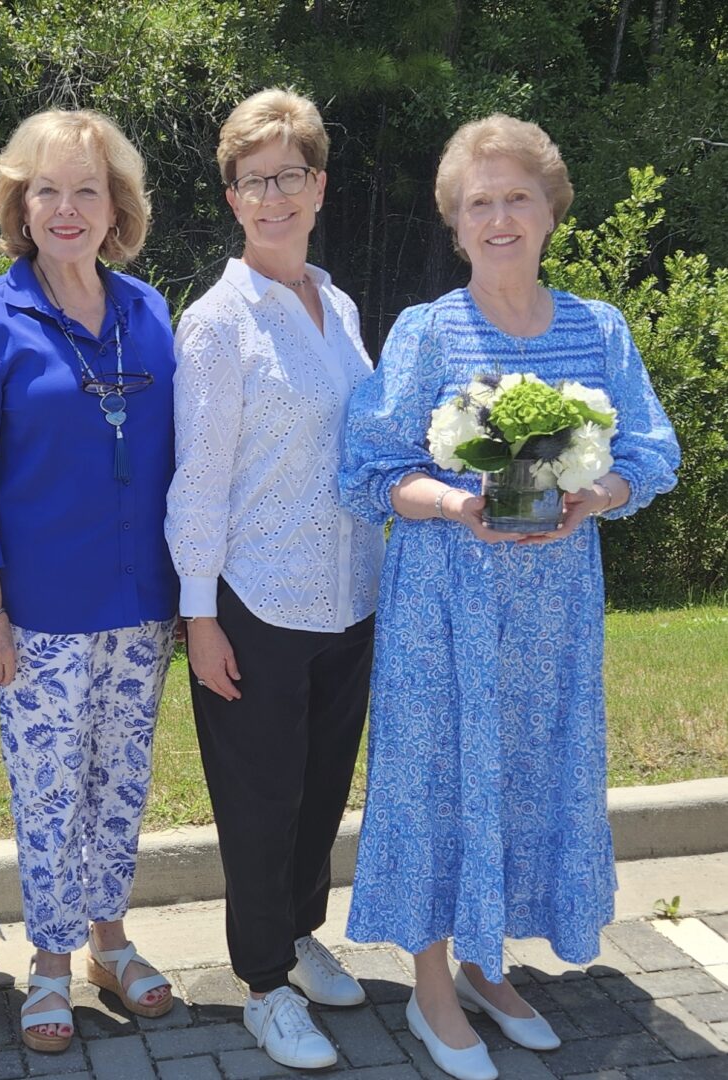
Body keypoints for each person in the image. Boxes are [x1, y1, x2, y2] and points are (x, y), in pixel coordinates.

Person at [339, 114, 680, 1080]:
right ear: (455, 224)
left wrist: (597, 493)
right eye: (478, 203)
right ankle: (433, 988)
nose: (499, 218)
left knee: (530, 773)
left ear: (550, 211)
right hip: (445, 604)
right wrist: (453, 498)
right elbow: (365, 469)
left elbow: (653, 451)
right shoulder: (426, 330)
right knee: (440, 778)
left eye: (516, 197)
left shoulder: (597, 328)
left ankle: (493, 965)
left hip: (554, 608)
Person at [0, 109, 178, 1054]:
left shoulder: (150, 314)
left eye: (87, 189)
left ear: (117, 207)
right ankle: (49, 964)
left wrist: (193, 597)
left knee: (121, 783)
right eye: (46, 190)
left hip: (142, 606)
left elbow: (182, 467)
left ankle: (112, 943)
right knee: (47, 793)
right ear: (18, 206)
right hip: (35, 617)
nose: (66, 209)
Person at [164, 89, 385, 1071]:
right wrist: (198, 616)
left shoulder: (335, 305)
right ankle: (261, 983)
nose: (274, 195)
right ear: (233, 198)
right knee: (258, 802)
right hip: (255, 604)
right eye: (255, 180)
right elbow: (199, 481)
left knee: (320, 792)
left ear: (319, 185)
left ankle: (300, 935)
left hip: (349, 598)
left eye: (290, 174)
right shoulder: (218, 323)